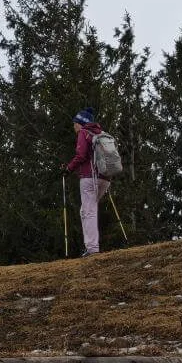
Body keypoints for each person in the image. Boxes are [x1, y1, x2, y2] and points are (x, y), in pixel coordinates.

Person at [65, 107, 110, 256]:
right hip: (105, 178)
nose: (74, 126)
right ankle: (91, 246)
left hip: (89, 177)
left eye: (75, 123)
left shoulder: (83, 133)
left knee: (88, 211)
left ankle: (92, 249)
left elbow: (81, 155)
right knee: (86, 210)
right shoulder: (101, 134)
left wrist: (68, 168)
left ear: (81, 123)